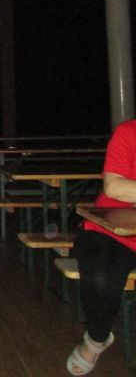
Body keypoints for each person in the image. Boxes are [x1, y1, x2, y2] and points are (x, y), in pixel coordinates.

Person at [64, 120, 136, 374]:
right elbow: (114, 187)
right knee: (101, 279)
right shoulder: (129, 132)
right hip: (108, 231)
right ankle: (97, 338)